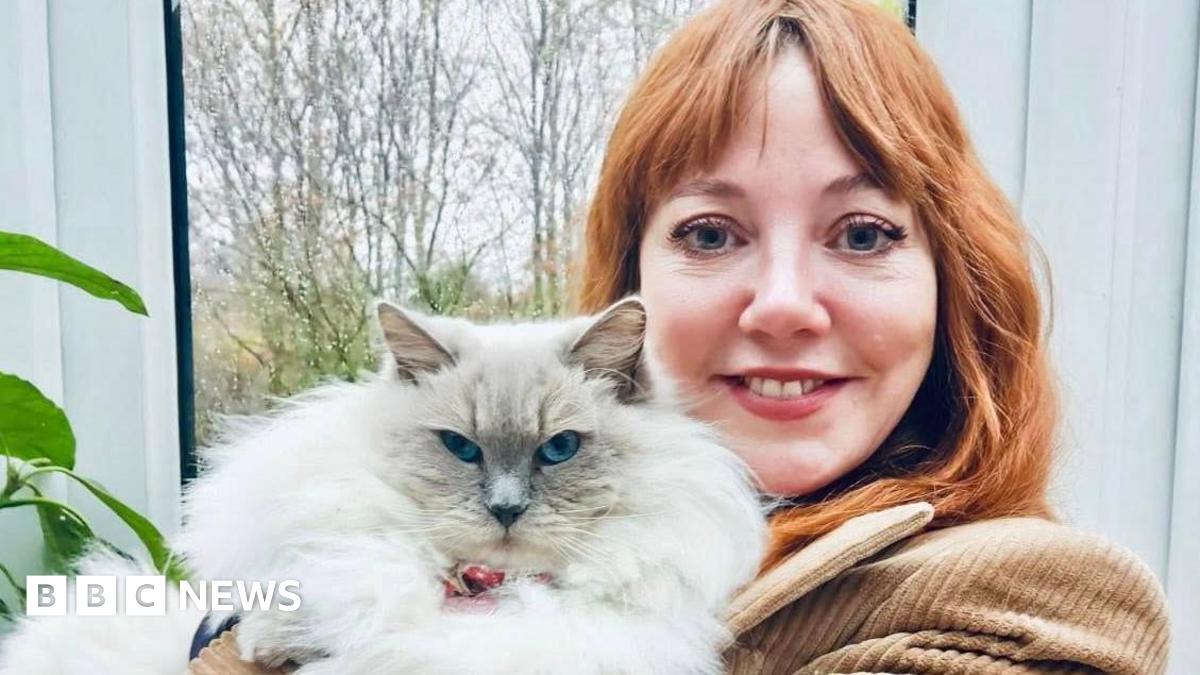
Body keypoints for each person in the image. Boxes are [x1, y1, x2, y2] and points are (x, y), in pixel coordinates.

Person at [575, 0, 1170, 672]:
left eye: (861, 234)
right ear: (629, 285)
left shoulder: (1022, 603)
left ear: (954, 281)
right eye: (710, 233)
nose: (783, 304)